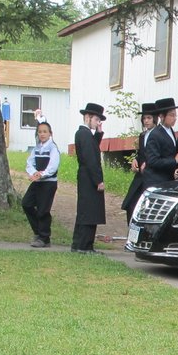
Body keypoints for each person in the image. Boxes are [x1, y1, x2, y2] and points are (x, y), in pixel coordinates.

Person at [72, 102, 106, 253]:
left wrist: (99, 133)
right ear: (88, 117)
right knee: (89, 210)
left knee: (87, 209)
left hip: (86, 176)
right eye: (97, 120)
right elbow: (91, 159)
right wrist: (98, 180)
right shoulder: (84, 134)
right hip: (89, 177)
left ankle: (80, 244)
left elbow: (93, 147)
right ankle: (84, 245)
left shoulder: (86, 135)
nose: (98, 123)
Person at [22, 120, 60, 247]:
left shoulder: (53, 148)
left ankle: (44, 238)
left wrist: (41, 174)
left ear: (50, 133)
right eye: (40, 132)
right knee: (26, 203)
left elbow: (52, 167)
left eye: (45, 132)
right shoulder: (37, 148)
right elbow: (30, 163)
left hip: (48, 183)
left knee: (43, 210)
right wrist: (33, 173)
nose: (42, 134)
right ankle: (37, 231)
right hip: (37, 182)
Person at [120, 101, 157, 224]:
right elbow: (142, 152)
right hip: (140, 176)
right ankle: (132, 231)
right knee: (130, 204)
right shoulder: (143, 135)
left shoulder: (159, 134)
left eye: (149, 118)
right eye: (144, 118)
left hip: (152, 176)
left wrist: (148, 163)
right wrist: (136, 160)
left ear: (155, 119)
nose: (146, 121)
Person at [142, 98, 178, 187]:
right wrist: (174, 160)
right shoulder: (155, 134)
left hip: (168, 178)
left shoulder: (170, 130)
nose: (175, 118)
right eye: (172, 115)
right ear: (161, 116)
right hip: (156, 181)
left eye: (175, 115)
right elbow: (153, 161)